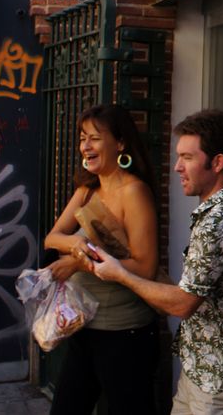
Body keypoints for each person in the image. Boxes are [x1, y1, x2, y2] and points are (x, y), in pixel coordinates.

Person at [90, 109, 223, 415]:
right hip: (202, 370)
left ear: (217, 163)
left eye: (187, 157)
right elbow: (191, 293)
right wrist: (134, 260)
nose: (177, 167)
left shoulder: (220, 221)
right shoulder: (222, 210)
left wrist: (120, 274)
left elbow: (182, 304)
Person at [43, 104, 160, 415]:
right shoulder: (87, 189)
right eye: (83, 138)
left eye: (94, 138)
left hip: (125, 334)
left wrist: (80, 262)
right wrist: (79, 245)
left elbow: (145, 268)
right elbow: (52, 239)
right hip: (85, 327)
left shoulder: (134, 192)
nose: (85, 146)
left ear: (120, 143)